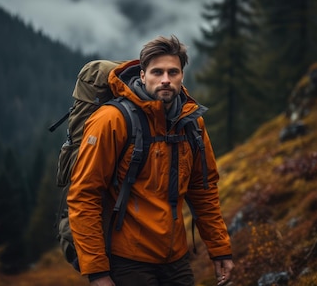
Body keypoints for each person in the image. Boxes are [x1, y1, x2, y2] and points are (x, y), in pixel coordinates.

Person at [67, 35, 234, 286]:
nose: (165, 79)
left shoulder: (191, 123)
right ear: (143, 75)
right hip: (126, 260)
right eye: (157, 72)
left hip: (175, 257)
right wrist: (98, 272)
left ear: (181, 76)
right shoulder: (111, 120)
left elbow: (204, 190)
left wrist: (220, 248)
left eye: (172, 72)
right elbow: (84, 195)